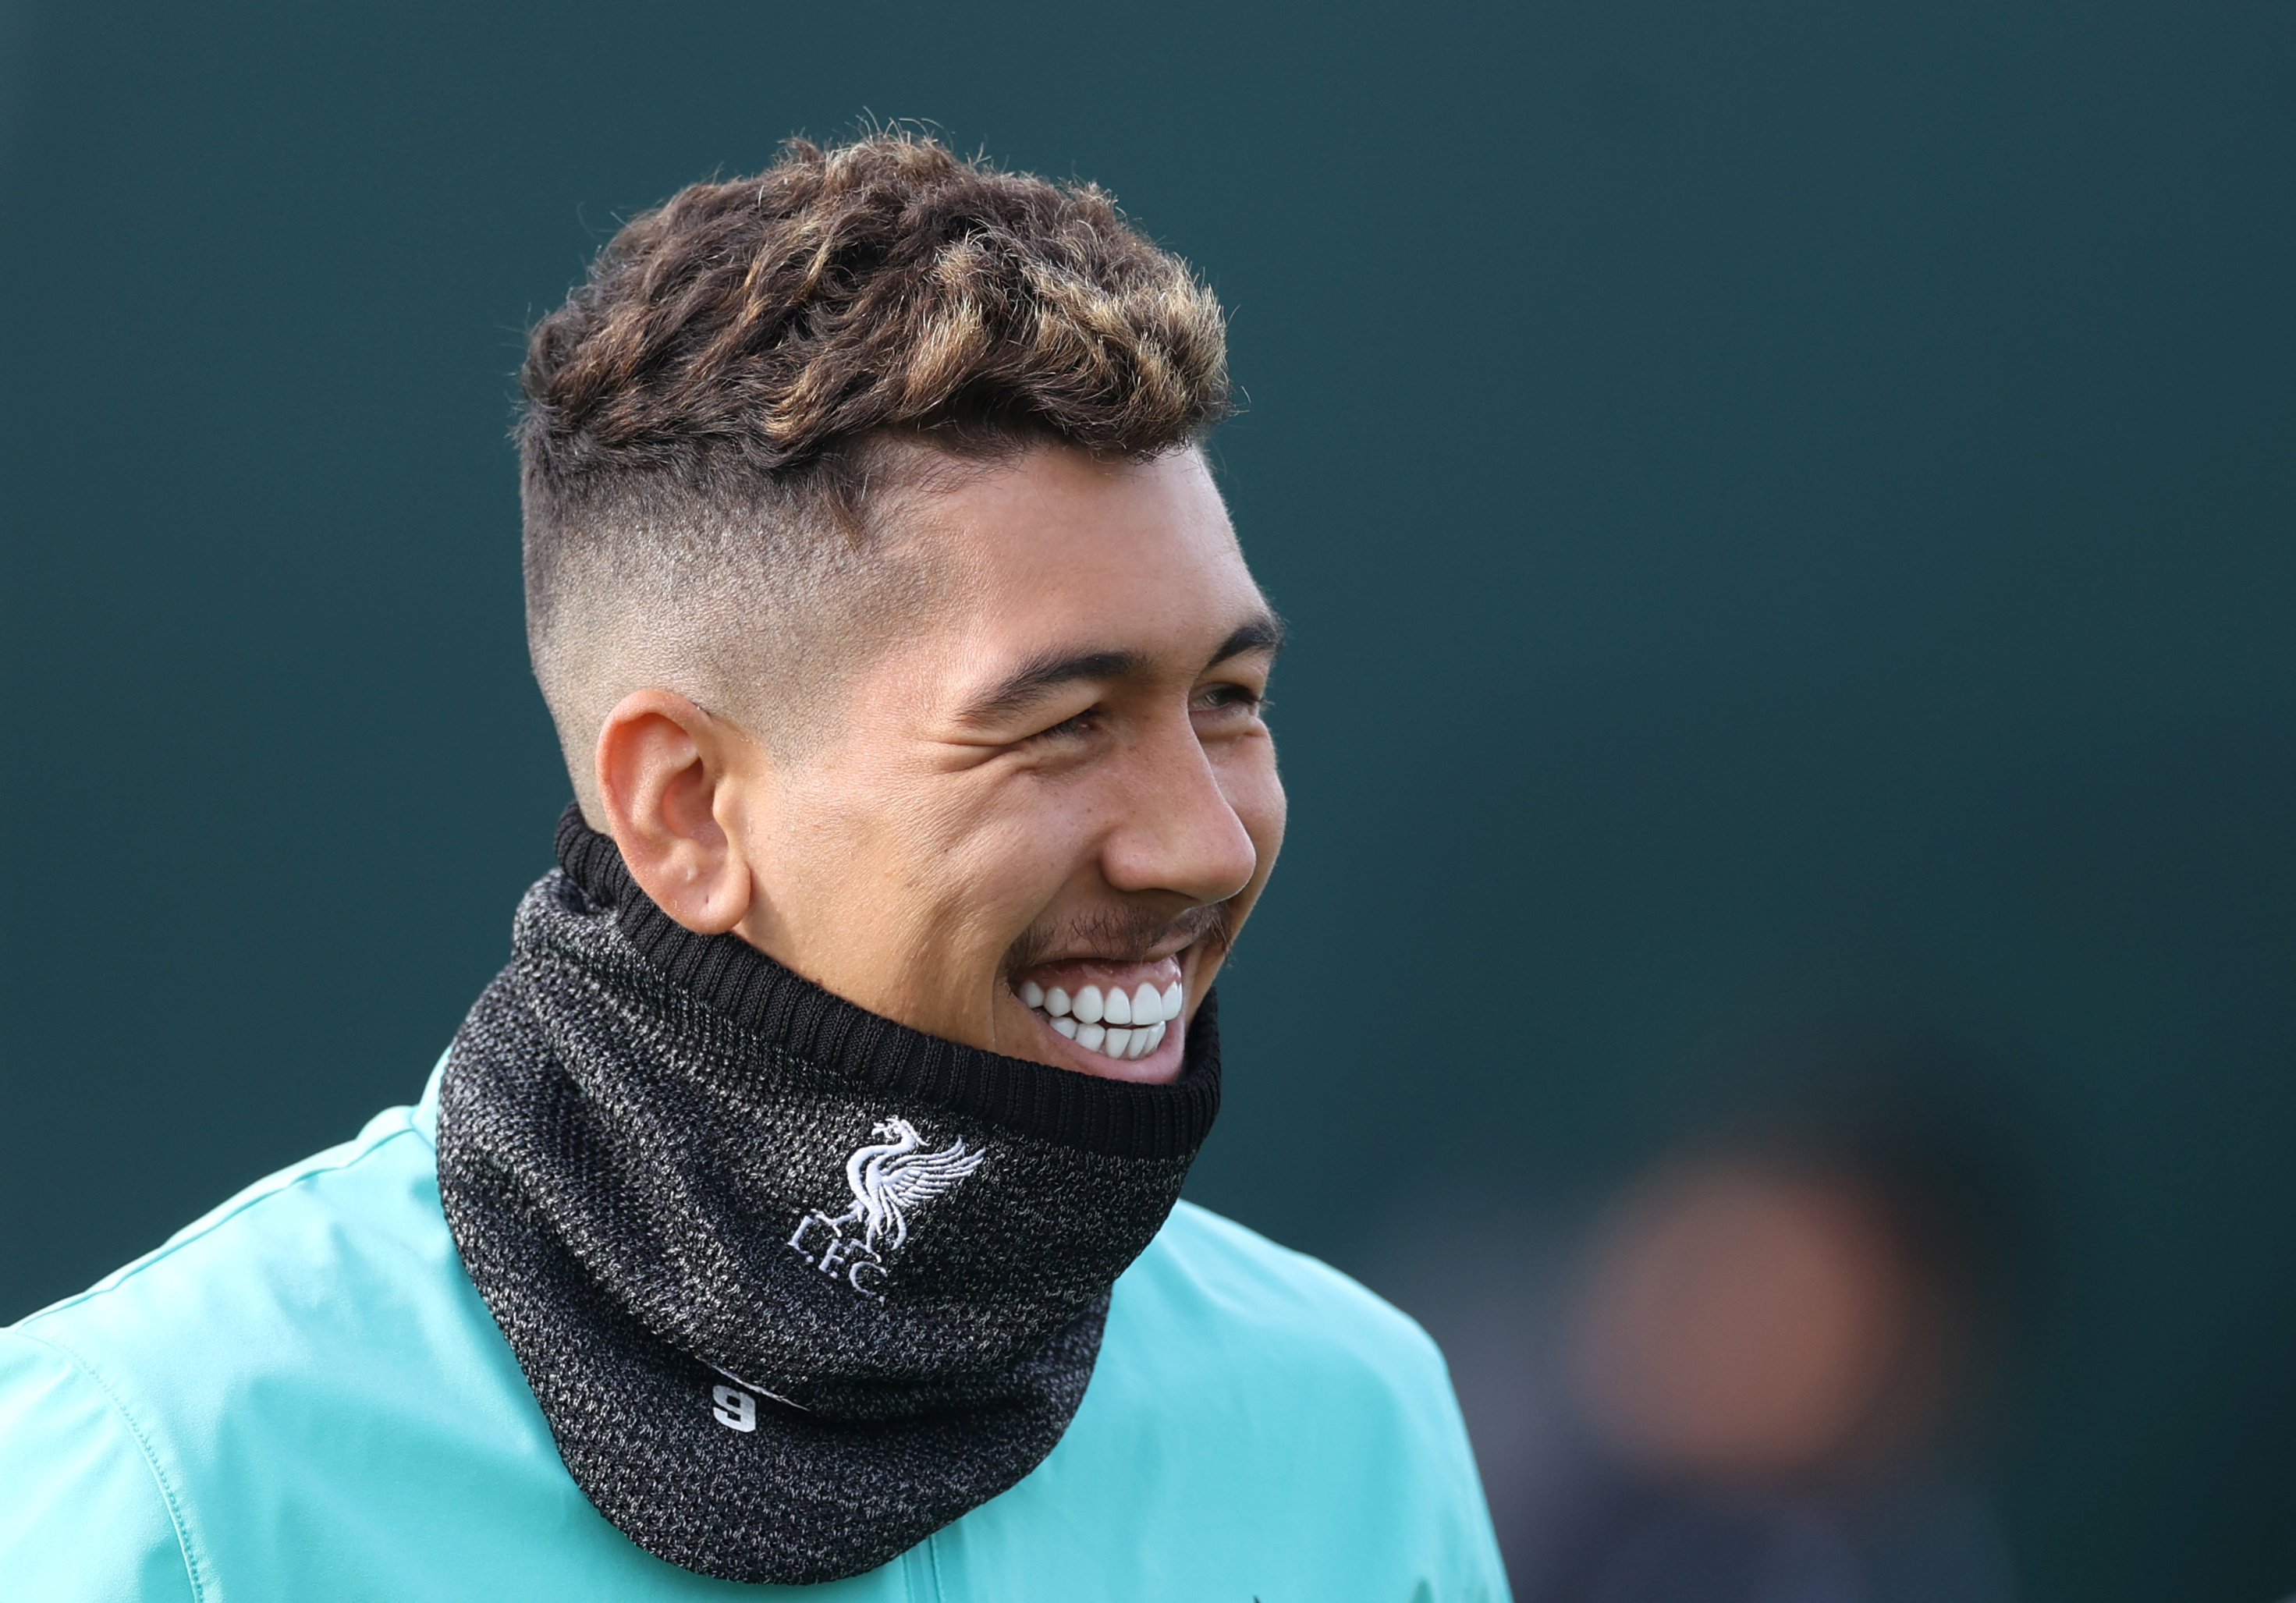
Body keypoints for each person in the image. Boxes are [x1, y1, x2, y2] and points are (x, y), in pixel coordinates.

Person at [0, 134, 1508, 1599]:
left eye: (1229, 699)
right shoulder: (166, 1470)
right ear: (685, 813)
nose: (1207, 843)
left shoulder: (1355, 1427)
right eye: (1064, 725)